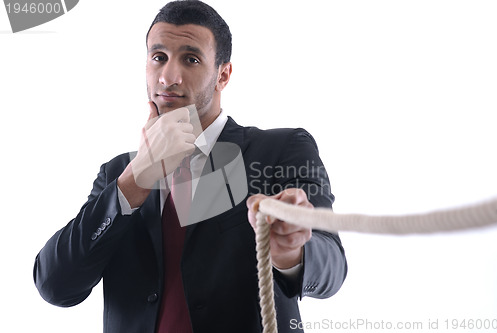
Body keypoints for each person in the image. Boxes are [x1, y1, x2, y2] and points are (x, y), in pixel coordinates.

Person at [33, 1, 347, 332]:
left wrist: (291, 254)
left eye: (191, 59)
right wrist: (136, 179)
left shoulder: (282, 149)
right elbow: (56, 284)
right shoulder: (117, 174)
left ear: (222, 75)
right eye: (159, 58)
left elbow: (333, 269)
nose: (169, 77)